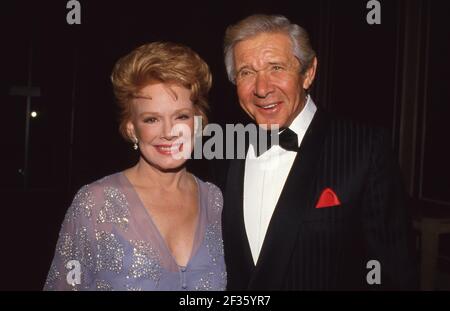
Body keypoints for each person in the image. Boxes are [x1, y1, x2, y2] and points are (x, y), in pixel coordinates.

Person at [220, 14, 417, 290]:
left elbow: (395, 273)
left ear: (308, 73)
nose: (262, 88)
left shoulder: (364, 148)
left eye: (276, 67)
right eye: (246, 72)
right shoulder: (225, 151)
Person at [44, 42, 226, 291]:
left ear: (199, 122)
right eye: (151, 119)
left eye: (181, 116)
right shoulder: (95, 203)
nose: (169, 133)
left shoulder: (215, 200)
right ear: (132, 129)